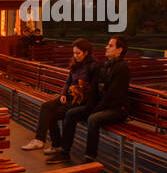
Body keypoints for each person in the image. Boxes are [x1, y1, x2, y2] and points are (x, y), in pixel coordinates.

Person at [50, 36, 132, 165]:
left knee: (93, 119)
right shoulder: (105, 65)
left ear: (119, 50)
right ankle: (64, 152)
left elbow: (113, 95)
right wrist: (90, 106)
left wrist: (94, 109)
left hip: (116, 109)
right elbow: (95, 88)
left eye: (110, 46)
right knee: (71, 114)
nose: (106, 47)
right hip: (101, 106)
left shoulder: (122, 68)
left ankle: (90, 158)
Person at [21, 39, 97, 153]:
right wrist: (63, 93)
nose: (75, 56)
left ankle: (56, 145)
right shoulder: (75, 65)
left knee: (52, 116)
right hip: (68, 96)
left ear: (86, 53)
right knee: (46, 106)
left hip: (78, 100)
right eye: (74, 53)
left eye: (78, 53)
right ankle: (39, 140)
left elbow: (93, 88)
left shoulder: (92, 67)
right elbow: (68, 82)